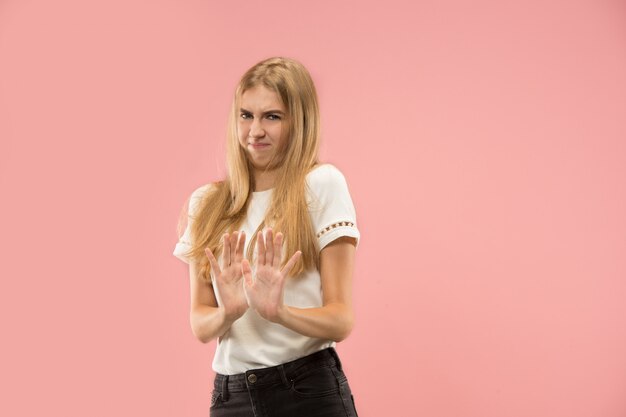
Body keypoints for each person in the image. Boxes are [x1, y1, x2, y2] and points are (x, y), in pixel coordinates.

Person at [173, 56, 360, 417]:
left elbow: (341, 318)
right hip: (232, 398)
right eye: (246, 115)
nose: (254, 131)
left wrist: (280, 313)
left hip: (306, 391)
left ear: (299, 121)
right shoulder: (207, 204)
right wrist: (229, 312)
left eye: (272, 117)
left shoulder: (320, 185)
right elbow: (200, 325)